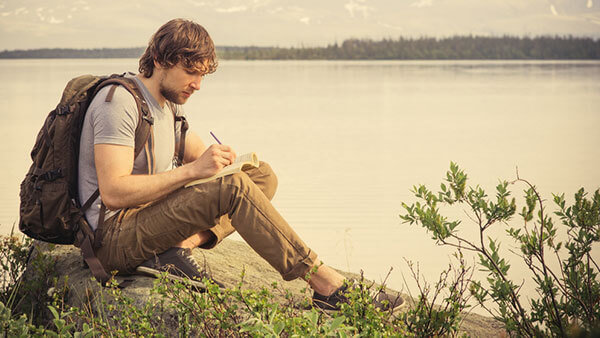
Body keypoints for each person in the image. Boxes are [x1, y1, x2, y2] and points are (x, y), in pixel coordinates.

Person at [78, 18, 403, 311]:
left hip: (147, 223)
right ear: (161, 61)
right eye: (191, 72)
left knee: (260, 176)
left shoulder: (169, 107)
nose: (197, 85)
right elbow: (114, 191)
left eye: (202, 75)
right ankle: (326, 285)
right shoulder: (119, 103)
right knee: (233, 187)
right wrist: (194, 171)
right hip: (112, 240)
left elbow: (206, 160)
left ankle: (176, 248)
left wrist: (223, 163)